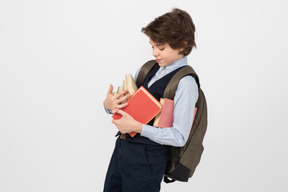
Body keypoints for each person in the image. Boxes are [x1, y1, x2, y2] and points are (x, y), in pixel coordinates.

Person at [103, 8, 199, 192]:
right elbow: (124, 103)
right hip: (123, 148)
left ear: (182, 44)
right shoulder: (148, 68)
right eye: (152, 46)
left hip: (148, 157)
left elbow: (179, 137)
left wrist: (137, 128)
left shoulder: (186, 83)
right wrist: (109, 105)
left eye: (161, 48)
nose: (155, 53)